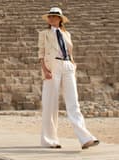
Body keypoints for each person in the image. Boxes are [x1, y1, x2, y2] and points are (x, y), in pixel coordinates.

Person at [38, 7, 100, 149]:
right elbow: (41, 53)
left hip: (67, 66)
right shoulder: (44, 34)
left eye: (54, 16)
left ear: (60, 19)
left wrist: (73, 63)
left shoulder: (67, 34)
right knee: (50, 104)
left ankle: (85, 138)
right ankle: (49, 140)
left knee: (73, 102)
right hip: (52, 67)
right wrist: (45, 69)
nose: (51, 18)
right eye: (50, 16)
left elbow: (69, 50)